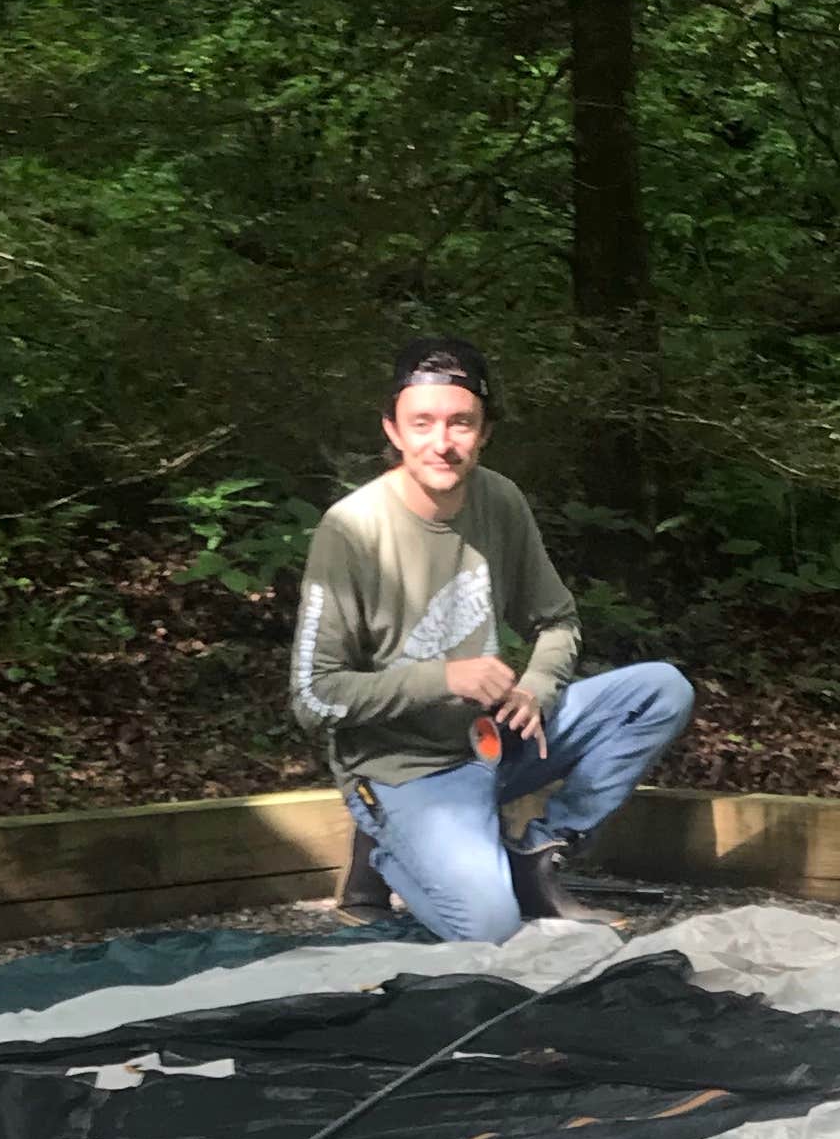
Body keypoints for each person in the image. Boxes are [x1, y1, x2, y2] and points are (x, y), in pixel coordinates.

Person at [289, 333, 693, 938]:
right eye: (422, 423)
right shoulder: (350, 530)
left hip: (495, 742)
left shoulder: (501, 500)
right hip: (404, 767)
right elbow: (314, 697)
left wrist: (535, 688)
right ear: (393, 431)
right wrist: (443, 678)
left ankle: (540, 853)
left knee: (661, 689)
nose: (442, 443)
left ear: (484, 432)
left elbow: (557, 620)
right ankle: (383, 852)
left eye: (460, 424)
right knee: (489, 929)